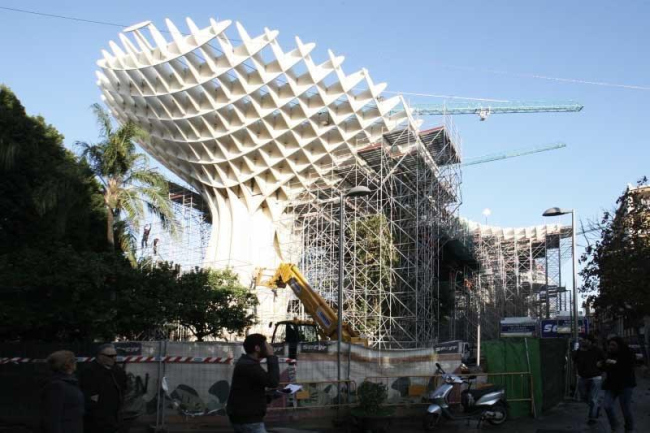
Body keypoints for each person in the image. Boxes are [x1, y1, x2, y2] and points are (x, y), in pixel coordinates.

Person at [227, 334, 280, 433]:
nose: (269, 347)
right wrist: (271, 356)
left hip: (242, 416)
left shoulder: (246, 363)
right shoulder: (249, 365)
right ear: (257, 348)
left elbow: (248, 391)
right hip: (249, 420)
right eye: (266, 345)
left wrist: (269, 396)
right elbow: (272, 382)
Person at [79, 344, 127, 433]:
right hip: (96, 418)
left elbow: (123, 386)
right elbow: (88, 394)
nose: (114, 358)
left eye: (115, 356)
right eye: (110, 356)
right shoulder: (88, 371)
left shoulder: (118, 370)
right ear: (100, 356)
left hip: (114, 415)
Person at [40, 350, 84, 433]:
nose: (76, 362)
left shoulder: (70, 382)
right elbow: (52, 417)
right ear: (67, 364)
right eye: (74, 360)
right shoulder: (56, 386)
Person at [599, 336, 636, 432]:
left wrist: (612, 363)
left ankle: (629, 429)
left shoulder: (628, 353)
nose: (611, 347)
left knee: (626, 409)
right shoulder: (609, 354)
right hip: (612, 385)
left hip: (625, 385)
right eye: (610, 345)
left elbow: (626, 366)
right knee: (607, 405)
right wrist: (601, 365)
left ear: (619, 345)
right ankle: (614, 425)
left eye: (613, 345)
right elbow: (605, 366)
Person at [572, 334, 606, 425]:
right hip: (582, 377)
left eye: (584, 340)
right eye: (581, 340)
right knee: (584, 397)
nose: (582, 341)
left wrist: (601, 367)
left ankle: (592, 418)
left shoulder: (597, 350)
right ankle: (596, 407)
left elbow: (604, 361)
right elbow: (574, 361)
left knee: (594, 399)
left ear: (590, 341)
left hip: (595, 378)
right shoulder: (579, 351)